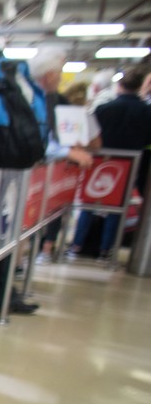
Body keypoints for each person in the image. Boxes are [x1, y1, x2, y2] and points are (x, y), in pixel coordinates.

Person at [69, 66, 151, 261]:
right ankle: (107, 249)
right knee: (118, 205)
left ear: (120, 85)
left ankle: (78, 244)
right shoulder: (146, 112)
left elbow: (92, 135)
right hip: (130, 166)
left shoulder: (104, 109)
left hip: (99, 162)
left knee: (89, 203)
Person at [28, 47, 97, 266]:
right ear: (50, 74)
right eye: (60, 72)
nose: (60, 78)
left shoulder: (50, 100)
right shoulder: (32, 99)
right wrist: (67, 151)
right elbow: (33, 139)